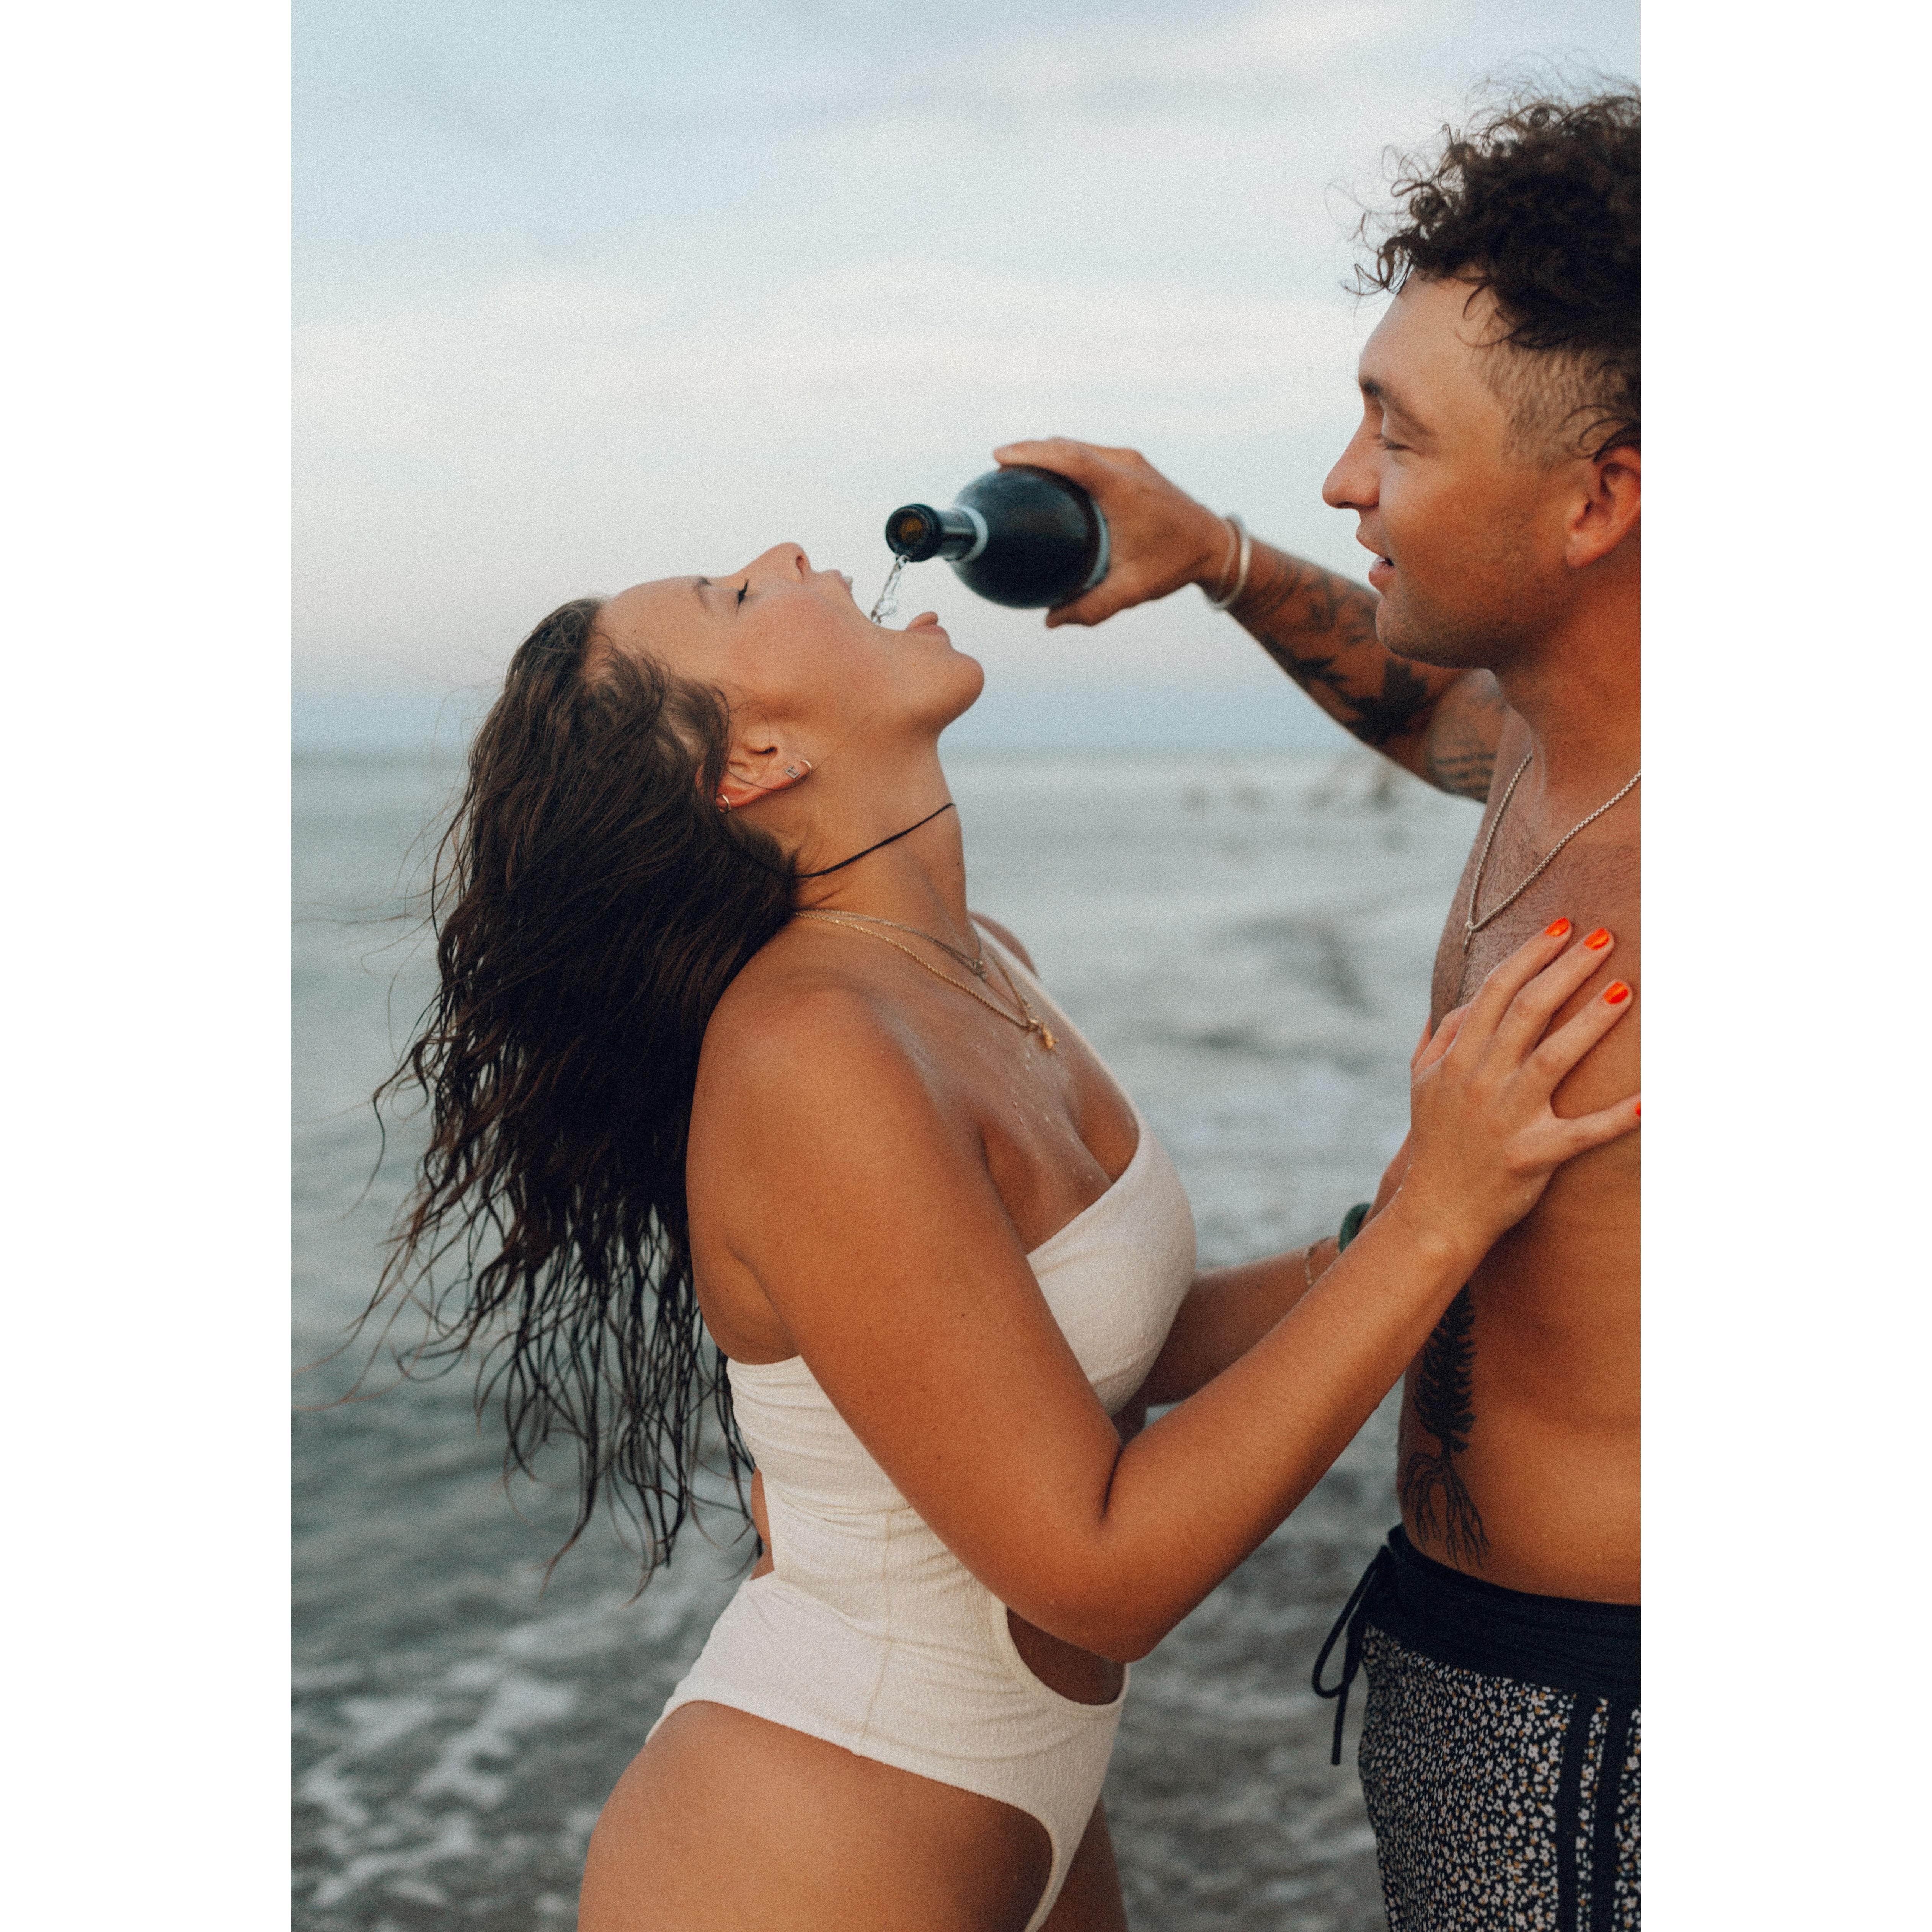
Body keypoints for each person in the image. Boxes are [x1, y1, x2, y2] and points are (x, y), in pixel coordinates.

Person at [375, 535, 1639, 1932]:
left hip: (1021, 1810)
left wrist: (1410, 1223)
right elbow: (1105, 1578)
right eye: (735, 597)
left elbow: (1121, 1345)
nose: (787, 555)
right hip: (811, 1847)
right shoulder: (811, 1052)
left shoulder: (979, 964)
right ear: (757, 761)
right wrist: (1435, 1228)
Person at [996, 88, 1641, 1932]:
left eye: (1395, 432)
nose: (1345, 481)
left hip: (1611, 1734)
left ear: (1598, 498)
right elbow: (1428, 716)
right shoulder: (1551, 746)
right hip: (1462, 1655)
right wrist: (1212, 555)